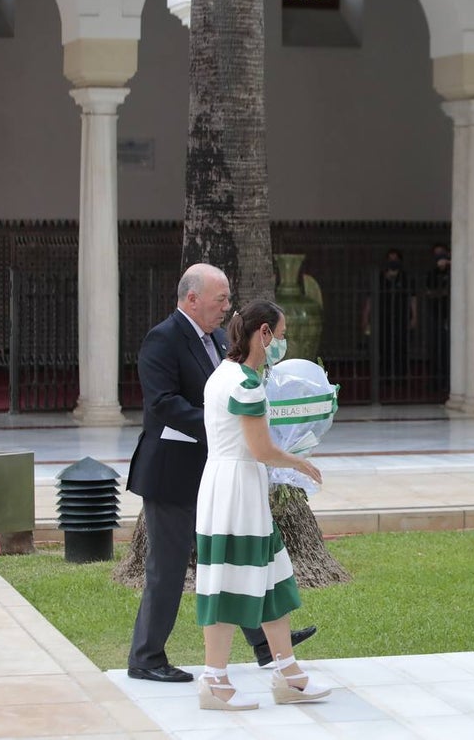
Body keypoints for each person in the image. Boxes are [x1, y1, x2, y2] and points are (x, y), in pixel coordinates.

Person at [125, 263, 314, 684]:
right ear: (191, 299)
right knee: (168, 568)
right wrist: (220, 423)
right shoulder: (162, 338)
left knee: (237, 559)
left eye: (228, 299)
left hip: (213, 473)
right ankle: (146, 657)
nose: (228, 307)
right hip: (172, 474)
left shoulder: (213, 340)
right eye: (220, 299)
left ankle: (268, 647)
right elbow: (161, 405)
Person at [195, 300, 330, 710]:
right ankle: (214, 680)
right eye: (282, 335)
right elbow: (260, 449)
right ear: (264, 334)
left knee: (274, 578)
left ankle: (287, 672)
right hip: (236, 489)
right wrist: (298, 461)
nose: (284, 343)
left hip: (231, 484)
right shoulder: (245, 384)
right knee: (227, 582)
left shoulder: (225, 374)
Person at [362, 248, 416, 387]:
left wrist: (414, 317)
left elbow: (412, 299)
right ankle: (385, 378)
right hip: (383, 319)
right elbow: (370, 299)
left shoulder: (406, 278)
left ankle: (400, 378)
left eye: (395, 259)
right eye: (390, 259)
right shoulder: (379, 278)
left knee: (401, 348)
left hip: (401, 318)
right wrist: (365, 317)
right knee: (384, 348)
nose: (393, 262)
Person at [423, 243, 451, 393]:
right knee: (436, 349)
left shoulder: (453, 271)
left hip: (451, 315)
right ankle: (435, 381)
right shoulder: (432, 273)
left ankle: (448, 381)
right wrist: (443, 293)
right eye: (437, 254)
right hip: (435, 314)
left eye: (442, 254)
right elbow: (429, 293)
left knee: (449, 350)